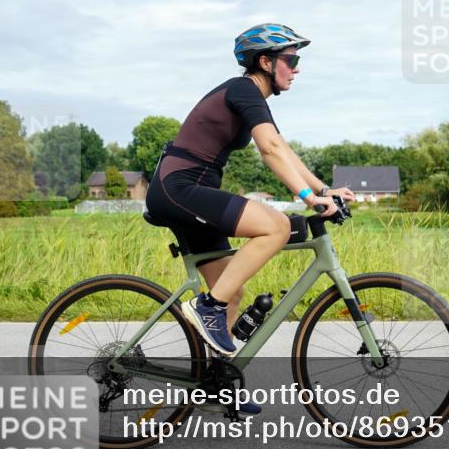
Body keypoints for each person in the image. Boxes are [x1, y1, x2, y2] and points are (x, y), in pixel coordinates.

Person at [145, 23, 356, 367]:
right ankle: (205, 308)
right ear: (265, 63)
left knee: (232, 292)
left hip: (189, 191)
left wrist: (323, 190)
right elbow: (269, 149)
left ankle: (215, 387)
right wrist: (308, 197)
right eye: (291, 59)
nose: (297, 67)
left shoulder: (251, 97)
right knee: (276, 227)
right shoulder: (243, 90)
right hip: (178, 189)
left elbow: (283, 149)